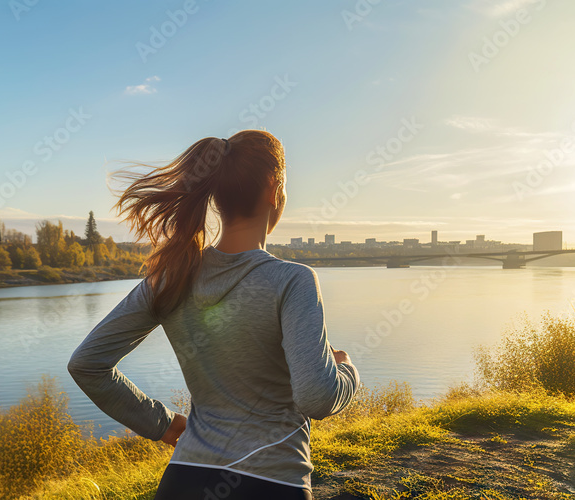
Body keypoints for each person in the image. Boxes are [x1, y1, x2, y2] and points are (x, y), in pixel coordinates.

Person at [66, 130, 361, 499]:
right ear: (274, 189)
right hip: (270, 484)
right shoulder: (292, 280)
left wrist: (164, 425)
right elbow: (317, 398)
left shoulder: (172, 278)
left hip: (183, 480)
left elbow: (87, 364)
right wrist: (347, 370)